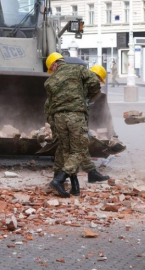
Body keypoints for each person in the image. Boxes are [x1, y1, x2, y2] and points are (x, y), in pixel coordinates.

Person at [45, 52, 101, 198]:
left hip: (58, 117)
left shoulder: (49, 81)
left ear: (55, 65)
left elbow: (49, 105)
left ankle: (75, 187)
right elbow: (94, 82)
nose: (53, 71)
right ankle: (59, 179)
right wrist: (88, 98)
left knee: (67, 150)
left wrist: (53, 125)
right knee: (80, 149)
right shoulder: (77, 69)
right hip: (75, 115)